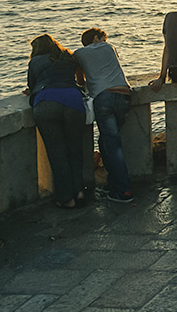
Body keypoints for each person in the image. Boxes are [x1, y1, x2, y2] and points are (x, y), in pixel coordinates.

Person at [27, 34, 90, 209]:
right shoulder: (68, 57)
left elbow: (32, 87)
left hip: (47, 103)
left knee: (57, 153)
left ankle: (66, 198)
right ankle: (79, 192)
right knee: (75, 150)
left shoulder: (35, 62)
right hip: (73, 102)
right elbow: (80, 79)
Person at [73, 28, 136, 204]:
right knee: (105, 142)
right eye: (103, 37)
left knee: (112, 144)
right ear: (96, 38)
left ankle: (124, 190)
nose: (104, 40)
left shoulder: (78, 54)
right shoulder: (109, 47)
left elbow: (80, 81)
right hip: (124, 95)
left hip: (104, 98)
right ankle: (114, 184)